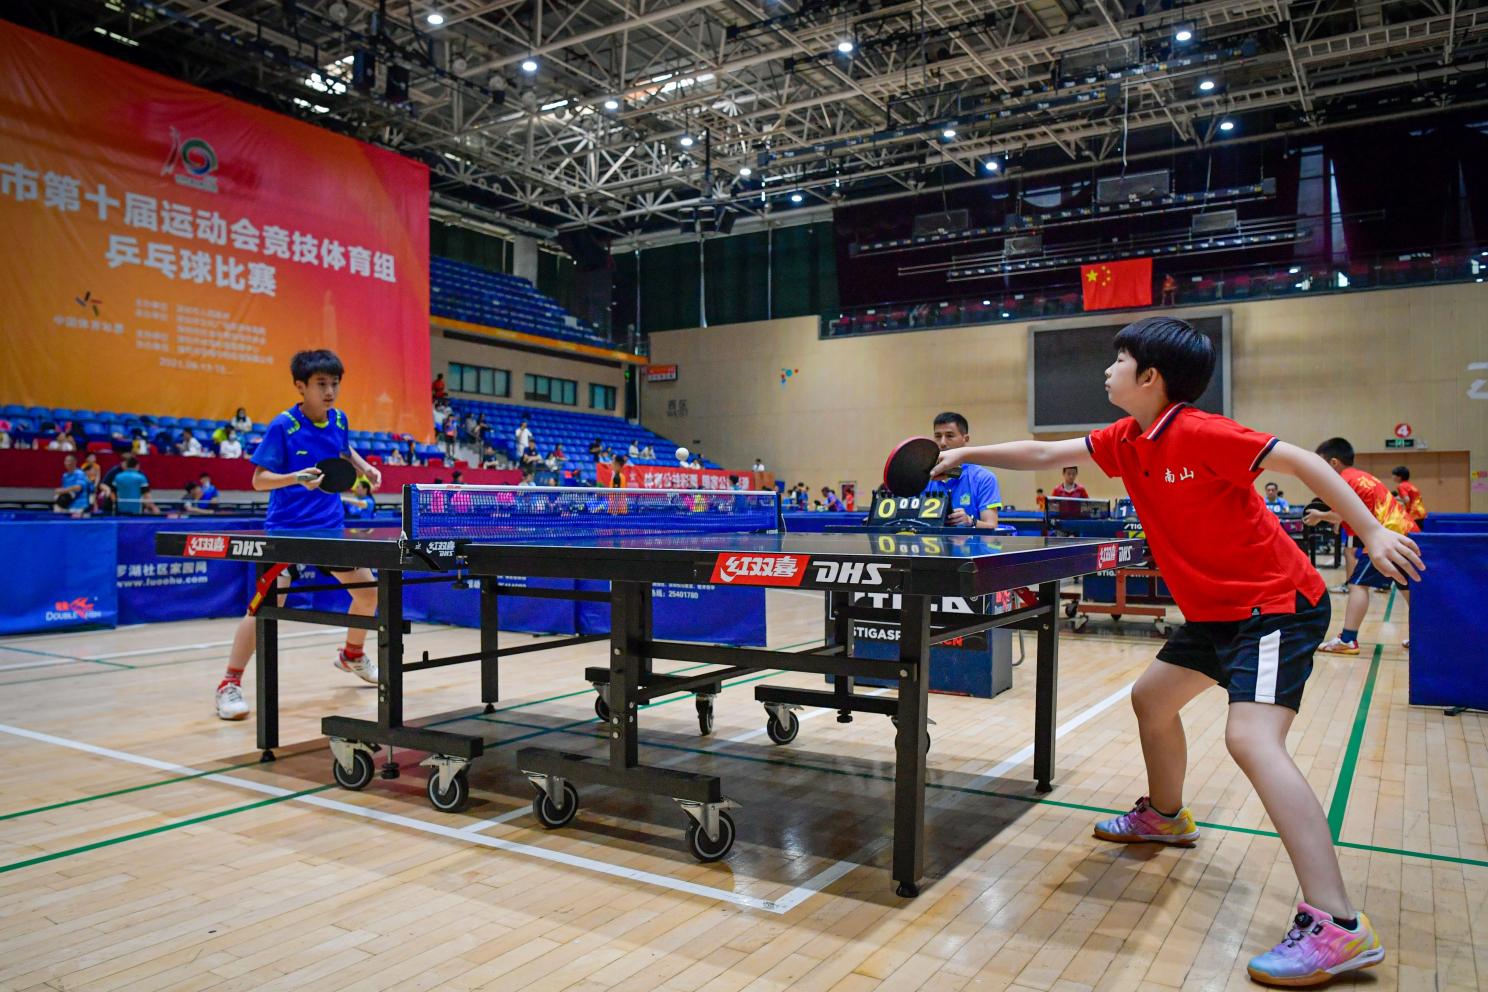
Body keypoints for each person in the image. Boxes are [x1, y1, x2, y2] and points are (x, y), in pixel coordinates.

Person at [931, 316, 1420, 987]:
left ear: (1151, 376)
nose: (1108, 370)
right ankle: (1165, 818)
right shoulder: (1126, 439)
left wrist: (1370, 531)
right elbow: (1045, 453)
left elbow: (1304, 462)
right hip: (1217, 613)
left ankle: (1338, 923)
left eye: (1120, 359)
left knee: (1251, 739)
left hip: (1274, 606)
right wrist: (968, 455)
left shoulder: (1202, 431)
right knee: (1152, 700)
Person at [213, 349, 383, 722]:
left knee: (368, 593)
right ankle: (229, 683)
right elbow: (259, 480)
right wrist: (295, 478)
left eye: (335, 383)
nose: (330, 391)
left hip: (329, 528)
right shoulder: (283, 426)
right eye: (321, 384)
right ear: (300, 386)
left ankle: (352, 655)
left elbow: (342, 449)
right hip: (287, 531)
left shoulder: (339, 418)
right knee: (265, 607)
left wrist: (365, 467)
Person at [1310, 438, 1420, 655]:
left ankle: (1347, 639)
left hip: (1388, 536)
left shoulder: (1343, 481)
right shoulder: (1362, 476)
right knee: (1406, 587)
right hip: (1406, 532)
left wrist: (1319, 515)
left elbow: (1341, 514)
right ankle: (1425, 636)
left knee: (1358, 584)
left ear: (1333, 462)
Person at [924, 411, 1002, 528]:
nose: (942, 443)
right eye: (938, 436)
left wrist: (970, 521)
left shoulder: (984, 478)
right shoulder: (924, 477)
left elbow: (991, 525)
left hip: (971, 540)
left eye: (949, 436)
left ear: (965, 439)